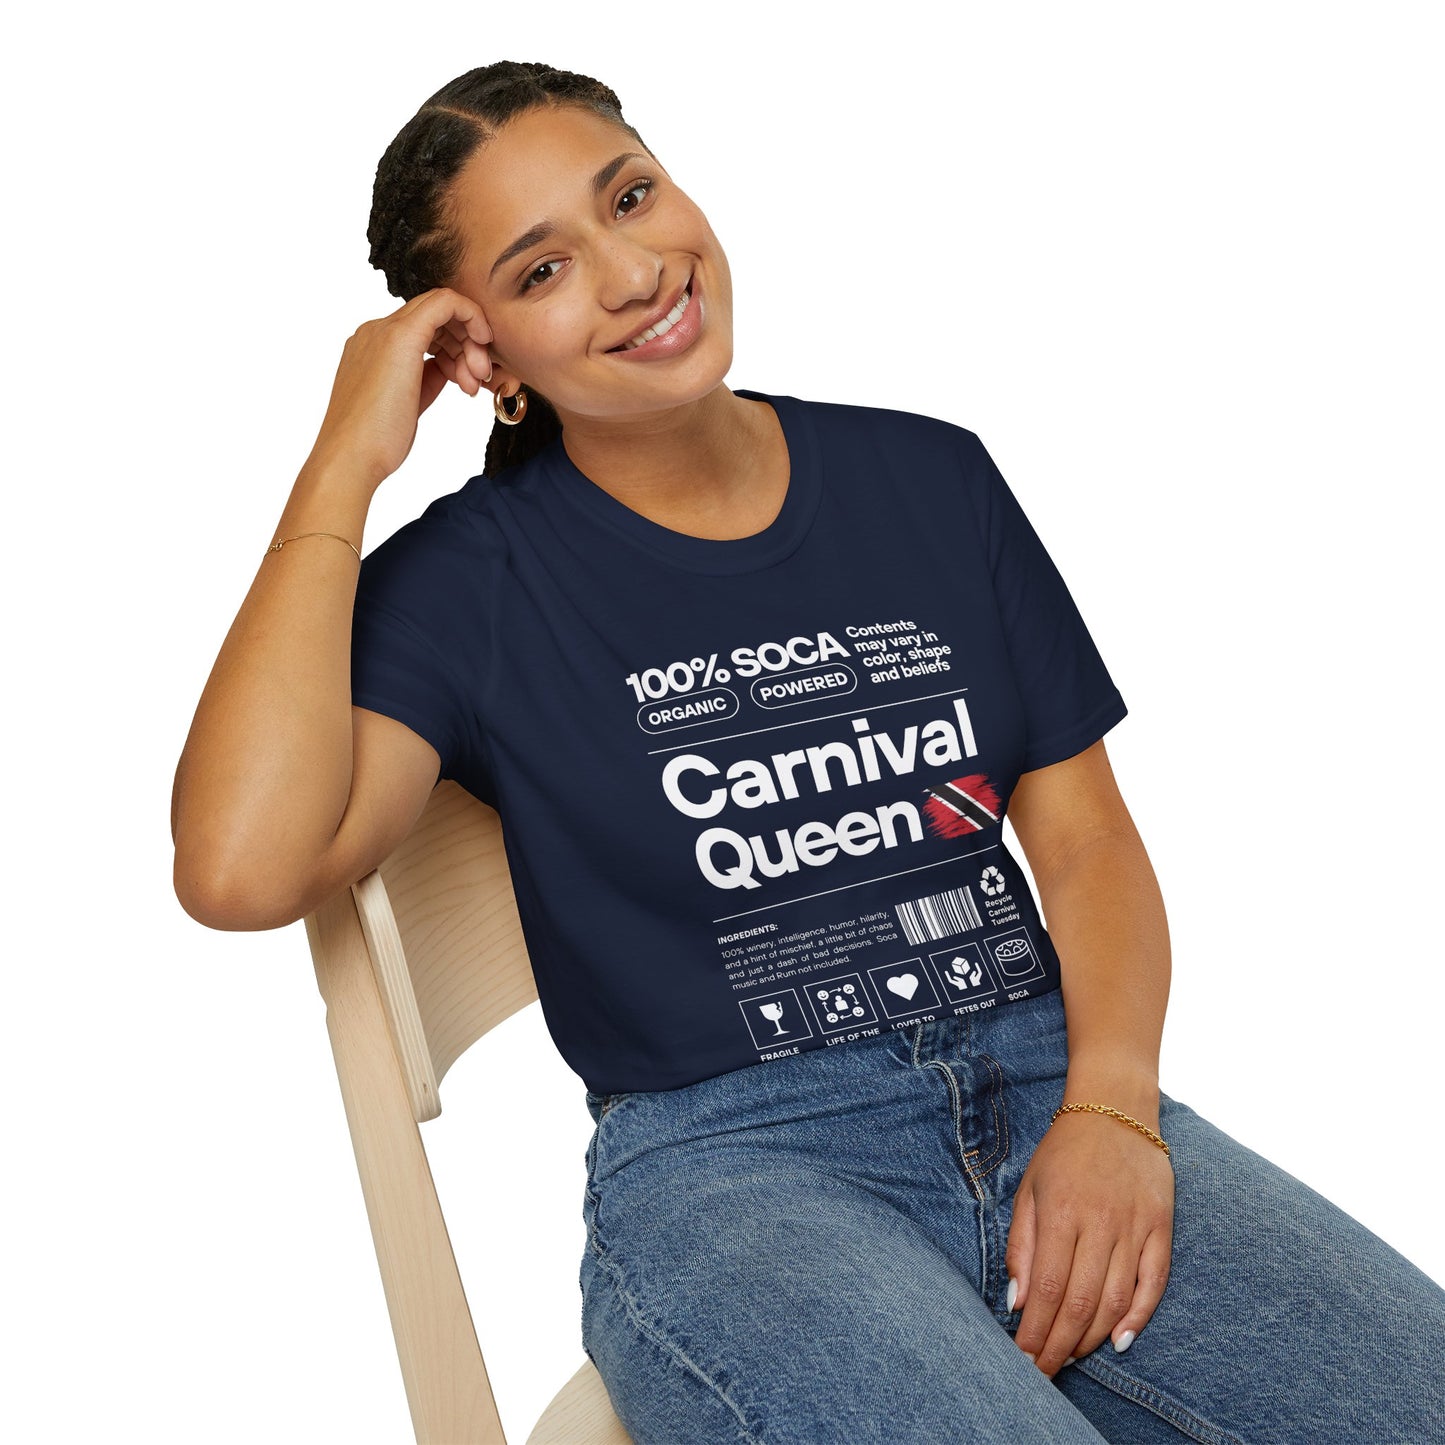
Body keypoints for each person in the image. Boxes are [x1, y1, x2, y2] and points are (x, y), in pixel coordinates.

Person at [171, 60, 1445, 1444]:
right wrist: (340, 464)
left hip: (1048, 1084)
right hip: (737, 1172)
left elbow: (1083, 845)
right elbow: (240, 867)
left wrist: (1113, 1110)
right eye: (541, 271)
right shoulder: (471, 580)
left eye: (632, 196)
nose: (633, 271)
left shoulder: (929, 478)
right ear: (483, 358)